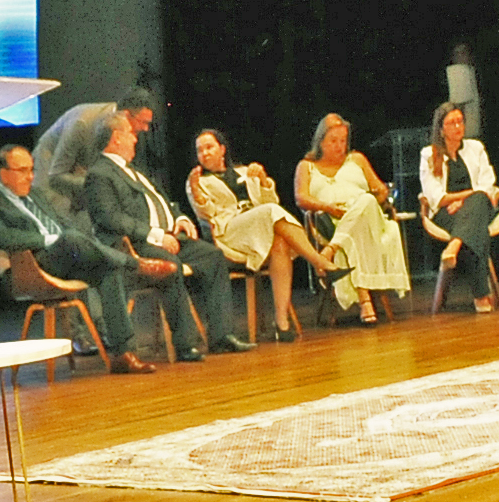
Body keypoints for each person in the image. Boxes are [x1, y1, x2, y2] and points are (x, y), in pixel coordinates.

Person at [77, 106, 244, 357]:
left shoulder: (133, 171)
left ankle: (221, 336)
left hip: (168, 236)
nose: (135, 138)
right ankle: (185, 344)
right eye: (131, 134)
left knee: (212, 256)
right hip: (135, 244)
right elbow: (109, 218)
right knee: (170, 264)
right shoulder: (99, 174)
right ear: (116, 137)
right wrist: (156, 235)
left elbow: (165, 202)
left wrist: (180, 218)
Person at [0, 139, 140, 369]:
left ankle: (122, 353)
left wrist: (69, 239)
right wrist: (50, 240)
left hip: (65, 256)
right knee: (70, 238)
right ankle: (132, 263)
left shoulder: (37, 195)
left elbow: (63, 224)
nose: (30, 177)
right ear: (4, 174)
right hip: (30, 268)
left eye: (32, 170)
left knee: (106, 269)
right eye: (22, 171)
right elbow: (3, 239)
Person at [187, 128, 329, 342]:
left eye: (209, 147)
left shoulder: (246, 171)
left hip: (258, 228)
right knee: (270, 213)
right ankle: (319, 261)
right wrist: (197, 191)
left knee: (280, 242)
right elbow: (206, 215)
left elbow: (271, 202)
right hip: (230, 233)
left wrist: (263, 179)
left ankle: (281, 322)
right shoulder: (198, 182)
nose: (204, 153)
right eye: (200, 150)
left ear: (222, 149)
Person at [291, 113, 408, 323]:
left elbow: (380, 190)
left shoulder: (357, 159)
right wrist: (327, 207)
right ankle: (365, 301)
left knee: (365, 201)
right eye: (333, 141)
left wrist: (380, 193)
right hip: (333, 223)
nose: (339, 146)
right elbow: (301, 198)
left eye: (343, 141)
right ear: (321, 142)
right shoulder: (306, 166)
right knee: (353, 237)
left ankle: (330, 250)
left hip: (371, 221)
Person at [416, 102, 499, 312]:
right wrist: (459, 198)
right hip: (446, 213)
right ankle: (481, 295)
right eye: (452, 123)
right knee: (476, 227)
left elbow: (487, 184)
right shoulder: (429, 155)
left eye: (460, 121)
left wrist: (466, 201)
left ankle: (454, 246)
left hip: (479, 207)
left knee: (478, 203)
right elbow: (435, 196)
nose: (458, 126)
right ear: (441, 129)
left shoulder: (476, 148)